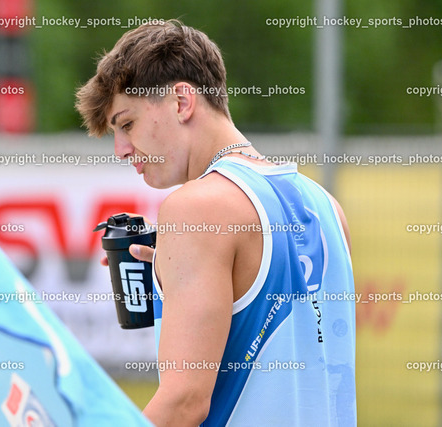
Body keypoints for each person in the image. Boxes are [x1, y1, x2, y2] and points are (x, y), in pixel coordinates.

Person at [76, 19, 356, 427]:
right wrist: (176, 270)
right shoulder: (326, 206)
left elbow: (184, 403)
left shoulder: (195, 210)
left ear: (181, 102)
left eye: (127, 123)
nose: (120, 149)